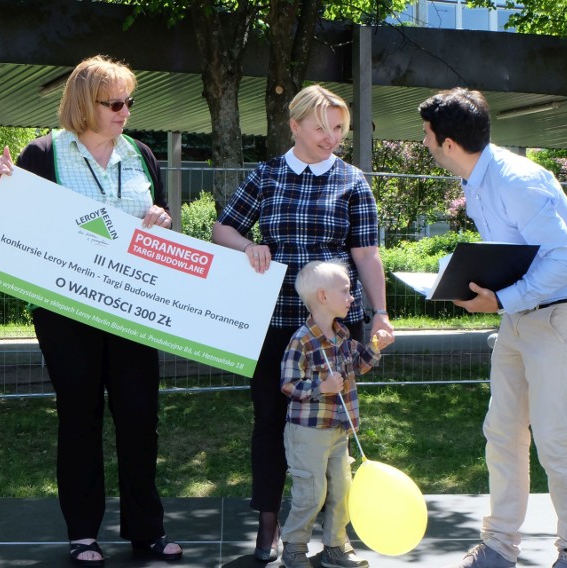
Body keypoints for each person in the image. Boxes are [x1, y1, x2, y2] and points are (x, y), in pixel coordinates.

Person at [0, 55, 182, 567]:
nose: (124, 111)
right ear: (83, 103)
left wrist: (159, 220)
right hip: (65, 310)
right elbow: (18, 225)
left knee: (140, 417)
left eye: (129, 102)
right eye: (113, 102)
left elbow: (154, 221)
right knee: (80, 417)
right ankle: (82, 533)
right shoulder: (43, 153)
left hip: (133, 304)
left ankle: (147, 531)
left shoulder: (140, 154)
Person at [418, 88, 567, 568]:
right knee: (502, 432)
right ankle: (500, 545)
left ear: (448, 143)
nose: (422, 142)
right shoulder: (479, 180)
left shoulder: (515, 179)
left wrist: (500, 299)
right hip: (521, 315)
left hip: (565, 313)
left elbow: (566, 260)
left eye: (425, 134)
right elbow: (521, 253)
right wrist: (478, 286)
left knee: (555, 438)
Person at [211, 84, 394, 563]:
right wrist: (246, 246)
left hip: (338, 330)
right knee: (270, 422)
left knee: (335, 428)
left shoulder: (353, 181)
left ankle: (334, 536)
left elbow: (367, 254)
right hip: (274, 328)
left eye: (339, 128)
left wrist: (379, 311)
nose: (331, 136)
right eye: (320, 127)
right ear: (294, 125)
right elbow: (222, 228)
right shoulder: (267, 176)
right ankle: (269, 529)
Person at [279, 259, 391, 568]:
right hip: (308, 432)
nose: (352, 296)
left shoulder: (342, 335)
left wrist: (375, 347)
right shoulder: (302, 339)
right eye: (345, 291)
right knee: (311, 493)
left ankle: (335, 545)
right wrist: (321, 387)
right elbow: (288, 384)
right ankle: (294, 545)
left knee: (343, 489)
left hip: (339, 430)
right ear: (323, 296)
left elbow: (358, 366)